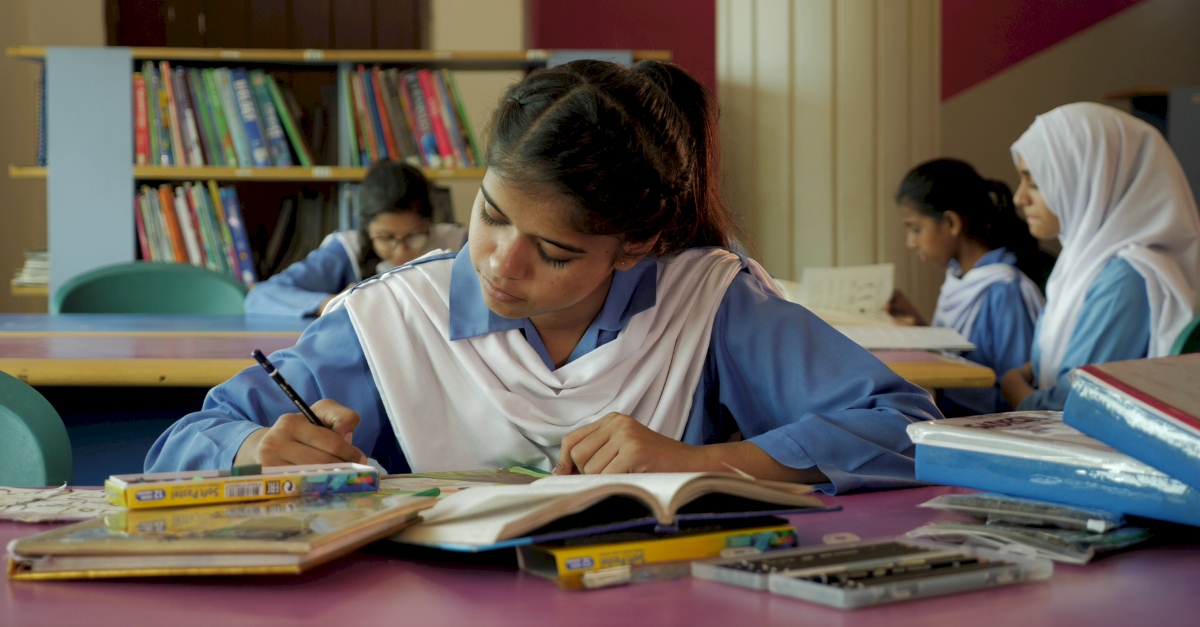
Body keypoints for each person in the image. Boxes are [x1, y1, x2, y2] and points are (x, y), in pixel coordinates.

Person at [146, 60, 941, 494]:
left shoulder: (708, 302)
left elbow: (905, 428)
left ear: (635, 247)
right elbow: (180, 445)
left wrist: (700, 461)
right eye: (491, 215)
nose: (499, 263)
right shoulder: (391, 316)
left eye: (554, 253)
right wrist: (259, 446)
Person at [1000, 102, 1200, 411]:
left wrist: (1013, 385)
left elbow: (1072, 403)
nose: (1019, 196)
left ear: (1092, 180)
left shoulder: (1125, 278)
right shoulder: (1080, 264)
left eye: (1035, 182)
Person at [892, 158, 1047, 416]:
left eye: (915, 229)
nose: (911, 243)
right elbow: (963, 355)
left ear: (951, 223)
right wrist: (919, 326)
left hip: (988, 432)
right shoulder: (961, 278)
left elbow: (1014, 395)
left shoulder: (1004, 291)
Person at [243, 160, 468, 317]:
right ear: (366, 230)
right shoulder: (347, 250)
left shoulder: (457, 244)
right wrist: (329, 304)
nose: (401, 252)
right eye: (386, 238)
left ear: (430, 222)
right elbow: (262, 296)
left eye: (414, 236)